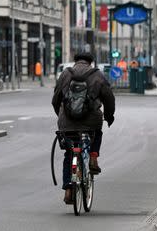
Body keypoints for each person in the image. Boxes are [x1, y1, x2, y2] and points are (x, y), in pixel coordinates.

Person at [52, 51, 115, 204]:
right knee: (97, 133)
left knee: (69, 154)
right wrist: (109, 116)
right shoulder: (97, 75)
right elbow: (109, 98)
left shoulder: (66, 74)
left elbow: (55, 99)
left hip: (67, 123)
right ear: (90, 62)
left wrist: (60, 115)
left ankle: (68, 188)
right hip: (91, 122)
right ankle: (93, 157)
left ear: (75, 61)